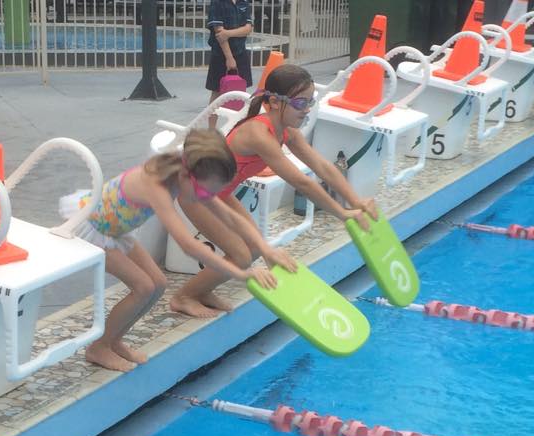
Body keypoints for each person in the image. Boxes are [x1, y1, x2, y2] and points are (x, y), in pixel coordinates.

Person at [59, 128, 285, 373]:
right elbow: (188, 244)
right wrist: (242, 273)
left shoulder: (186, 174)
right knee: (143, 287)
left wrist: (265, 249)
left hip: (116, 229)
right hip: (94, 229)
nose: (206, 198)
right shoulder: (155, 184)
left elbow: (230, 216)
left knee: (158, 283)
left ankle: (113, 340)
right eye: (204, 191)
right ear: (189, 175)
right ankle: (99, 348)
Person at [171, 64, 378, 319]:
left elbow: (322, 166)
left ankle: (202, 291)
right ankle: (183, 297)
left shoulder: (287, 131)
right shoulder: (259, 133)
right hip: (198, 195)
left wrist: (355, 200)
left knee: (255, 249)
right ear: (274, 102)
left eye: (310, 102)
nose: (307, 110)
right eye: (300, 103)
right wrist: (342, 213)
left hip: (222, 194)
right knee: (240, 254)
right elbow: (301, 182)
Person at [205, 0, 253, 130]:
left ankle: (236, 127)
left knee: (240, 91)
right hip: (221, 55)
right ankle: (211, 130)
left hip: (240, 52)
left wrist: (228, 33)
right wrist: (229, 58)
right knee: (216, 92)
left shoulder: (243, 3)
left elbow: (248, 28)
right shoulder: (218, 3)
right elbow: (219, 34)